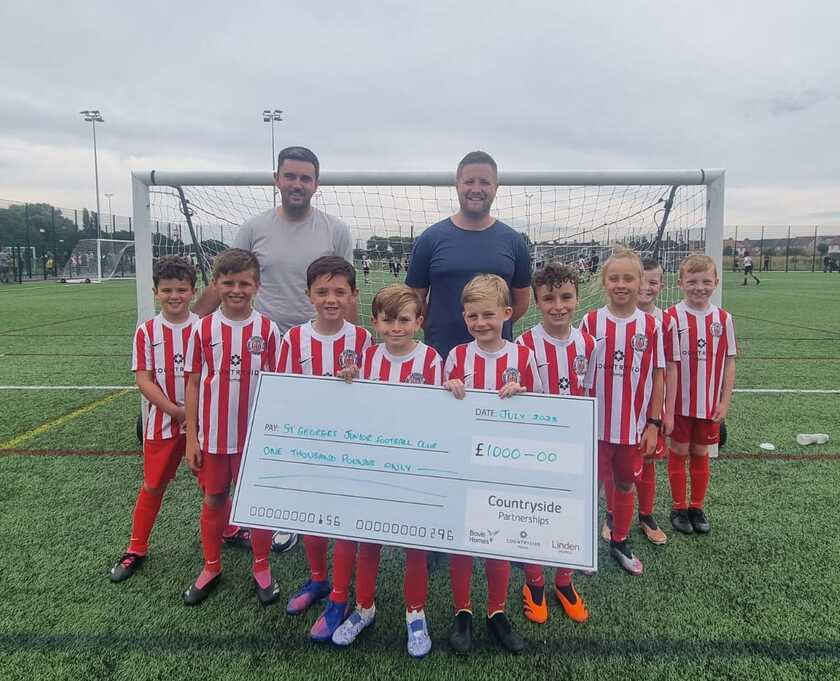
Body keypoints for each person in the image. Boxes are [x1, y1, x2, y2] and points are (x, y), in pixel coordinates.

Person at [193, 146, 355, 554]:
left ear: (316, 184)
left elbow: (346, 293)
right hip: (260, 350)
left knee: (317, 434)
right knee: (269, 439)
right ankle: (276, 515)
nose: (297, 184)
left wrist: (355, 343)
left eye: (305, 177)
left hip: (316, 346)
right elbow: (230, 282)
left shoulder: (335, 230)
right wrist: (192, 324)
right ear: (277, 179)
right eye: (291, 176)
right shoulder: (252, 228)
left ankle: (317, 509)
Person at [326, 284, 443, 658]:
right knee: (367, 540)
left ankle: (415, 614)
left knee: (414, 547)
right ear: (375, 322)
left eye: (404, 320)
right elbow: (355, 407)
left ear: (419, 322)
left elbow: (442, 415)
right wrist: (347, 382)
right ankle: (365, 608)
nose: (396, 327)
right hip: (372, 468)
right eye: (388, 320)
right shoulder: (368, 359)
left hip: (413, 470)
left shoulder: (431, 361)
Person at [443, 274, 542, 654]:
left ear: (507, 312)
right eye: (472, 316)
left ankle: (496, 611)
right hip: (465, 464)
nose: (480, 323)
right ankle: (461, 611)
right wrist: (448, 388)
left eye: (488, 314)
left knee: (497, 540)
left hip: (506, 466)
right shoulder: (457, 356)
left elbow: (541, 407)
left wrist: (524, 394)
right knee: (463, 540)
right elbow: (441, 410)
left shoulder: (523, 356)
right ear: (464, 317)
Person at [277, 256, 372, 634]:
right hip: (309, 446)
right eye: (322, 292)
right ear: (309, 295)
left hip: (350, 448)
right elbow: (282, 393)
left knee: (345, 522)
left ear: (353, 295)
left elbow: (374, 394)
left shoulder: (362, 339)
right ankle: (317, 579)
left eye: (339, 291)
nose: (330, 299)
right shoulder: (293, 339)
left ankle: (339, 596)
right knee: (311, 515)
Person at [181, 249, 282, 606]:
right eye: (228, 283)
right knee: (214, 499)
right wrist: (192, 436)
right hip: (213, 437)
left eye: (244, 283)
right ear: (215, 285)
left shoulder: (268, 330)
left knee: (256, 503)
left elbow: (278, 386)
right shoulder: (201, 328)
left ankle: (261, 567)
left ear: (257, 285)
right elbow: (192, 384)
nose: (236, 289)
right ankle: (211, 566)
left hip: (254, 439)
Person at [109, 256, 199, 582]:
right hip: (162, 423)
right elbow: (143, 380)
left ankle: (229, 530)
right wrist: (176, 412)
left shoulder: (204, 327)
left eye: (181, 290)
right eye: (167, 290)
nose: (174, 296)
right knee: (153, 484)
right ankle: (136, 548)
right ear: (155, 292)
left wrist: (194, 416)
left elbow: (211, 377)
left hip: (200, 425)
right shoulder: (147, 331)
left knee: (213, 486)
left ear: (193, 290)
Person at [515, 262, 594, 625]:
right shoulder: (523, 346)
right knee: (535, 515)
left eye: (565, 297)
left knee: (569, 516)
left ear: (577, 298)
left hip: (574, 449)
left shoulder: (589, 344)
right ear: (536, 302)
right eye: (548, 298)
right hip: (536, 450)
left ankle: (564, 581)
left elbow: (590, 393)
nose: (558, 305)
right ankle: (534, 582)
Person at [580, 249, 667, 576]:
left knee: (625, 484)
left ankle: (619, 540)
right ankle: (586, 544)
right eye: (614, 278)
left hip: (632, 428)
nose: (621, 284)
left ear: (640, 282)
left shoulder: (651, 325)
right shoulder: (591, 321)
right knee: (591, 487)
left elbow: (659, 374)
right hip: (596, 427)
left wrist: (653, 423)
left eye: (628, 278)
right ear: (604, 282)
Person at [406, 151, 532, 361]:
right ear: (457, 185)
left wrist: (492, 325)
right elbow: (413, 299)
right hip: (440, 357)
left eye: (484, 182)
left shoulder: (514, 242)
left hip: (497, 361)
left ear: (496, 187)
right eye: (469, 182)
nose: (476, 189)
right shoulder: (430, 239)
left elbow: (521, 302)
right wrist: (439, 328)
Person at [664, 255, 736, 535]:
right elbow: (665, 363)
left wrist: (725, 401)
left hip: (708, 404)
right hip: (680, 404)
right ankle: (678, 506)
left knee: (700, 452)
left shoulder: (723, 318)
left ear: (716, 282)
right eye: (692, 282)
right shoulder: (671, 317)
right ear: (680, 283)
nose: (699, 287)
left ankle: (697, 505)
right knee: (679, 451)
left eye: (706, 281)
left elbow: (730, 361)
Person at [632, 258, 679, 546]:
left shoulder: (666, 321)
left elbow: (671, 368)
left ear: (661, 286)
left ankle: (646, 515)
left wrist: (668, 412)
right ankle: (612, 516)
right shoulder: (615, 319)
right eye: (643, 280)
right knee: (619, 465)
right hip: (622, 408)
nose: (647, 287)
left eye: (654, 282)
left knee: (648, 462)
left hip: (652, 409)